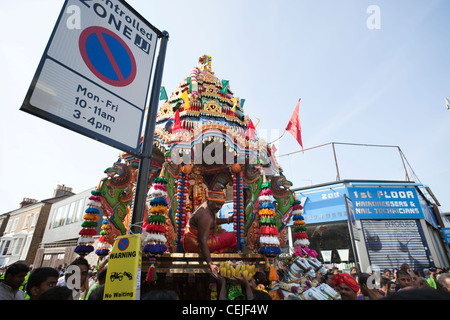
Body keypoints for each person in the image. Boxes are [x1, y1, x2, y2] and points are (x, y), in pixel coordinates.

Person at [183, 190, 237, 274]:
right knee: (232, 237)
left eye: (221, 205)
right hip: (195, 244)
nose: (219, 207)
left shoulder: (208, 207)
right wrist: (210, 263)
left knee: (224, 232)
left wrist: (228, 220)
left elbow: (212, 222)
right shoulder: (205, 214)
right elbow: (202, 241)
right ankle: (230, 259)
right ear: (210, 201)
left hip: (194, 241)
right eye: (217, 204)